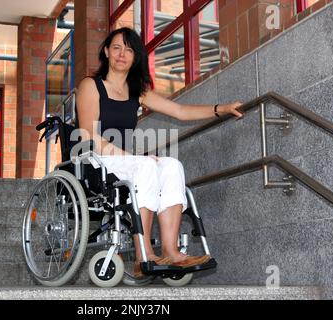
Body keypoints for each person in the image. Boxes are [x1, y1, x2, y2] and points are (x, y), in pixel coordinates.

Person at [75, 27, 243, 277]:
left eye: (129, 50)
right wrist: (134, 158)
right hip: (95, 158)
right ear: (107, 51)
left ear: (136, 57)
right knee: (145, 165)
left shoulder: (137, 91)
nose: (122, 54)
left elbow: (180, 112)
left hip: (123, 161)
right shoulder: (91, 85)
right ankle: (143, 254)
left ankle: (170, 250)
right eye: (117, 47)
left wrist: (221, 108)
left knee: (172, 165)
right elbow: (88, 134)